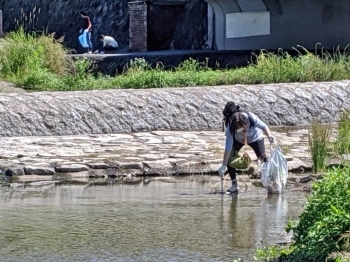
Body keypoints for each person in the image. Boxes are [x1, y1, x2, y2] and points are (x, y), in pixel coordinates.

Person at [218, 102, 276, 193]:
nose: (238, 130)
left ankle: (271, 182)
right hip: (238, 140)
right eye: (236, 129)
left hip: (255, 137)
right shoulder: (231, 126)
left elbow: (264, 126)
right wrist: (224, 165)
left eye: (240, 128)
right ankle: (234, 185)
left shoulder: (250, 117)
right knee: (229, 159)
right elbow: (228, 148)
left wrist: (269, 136)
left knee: (263, 158)